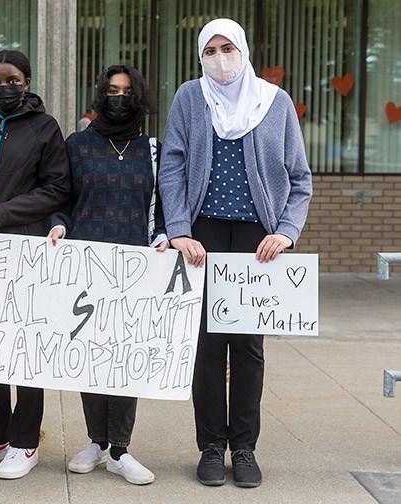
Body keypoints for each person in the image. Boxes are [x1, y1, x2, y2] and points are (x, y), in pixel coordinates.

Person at [158, 18, 312, 488]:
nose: (220, 58)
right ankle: (210, 446)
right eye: (211, 50)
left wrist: (286, 231)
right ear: (200, 55)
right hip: (202, 234)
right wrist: (180, 229)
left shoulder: (275, 102)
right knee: (206, 344)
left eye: (228, 48)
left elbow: (300, 179)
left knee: (247, 346)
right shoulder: (190, 96)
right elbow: (173, 167)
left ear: (243, 50)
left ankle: (244, 447)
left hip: (256, 241)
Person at [47, 64, 168, 486]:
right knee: (90, 356)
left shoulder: (154, 148)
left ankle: (120, 448)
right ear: (100, 95)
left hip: (135, 267)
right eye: (112, 90)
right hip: (86, 263)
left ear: (140, 97)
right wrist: (59, 224)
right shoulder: (77, 144)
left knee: (124, 357)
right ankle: (97, 441)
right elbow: (62, 198)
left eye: (127, 91)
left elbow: (164, 205)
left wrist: (163, 236)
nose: (119, 97)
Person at [0, 49, 71, 479]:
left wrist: (0, 212)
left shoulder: (45, 128)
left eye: (13, 80)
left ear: (27, 81)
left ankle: (24, 443)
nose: (4, 87)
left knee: (25, 349)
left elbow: (57, 188)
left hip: (25, 248)